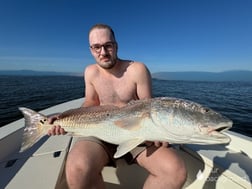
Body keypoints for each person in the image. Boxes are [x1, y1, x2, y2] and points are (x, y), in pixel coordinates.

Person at [48, 23, 187, 189]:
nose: (103, 52)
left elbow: (149, 106)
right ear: (91, 49)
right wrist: (63, 118)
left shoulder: (137, 69)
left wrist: (158, 131)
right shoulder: (90, 72)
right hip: (99, 130)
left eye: (108, 46)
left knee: (174, 171)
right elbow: (91, 102)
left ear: (116, 45)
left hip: (136, 133)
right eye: (97, 47)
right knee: (77, 169)